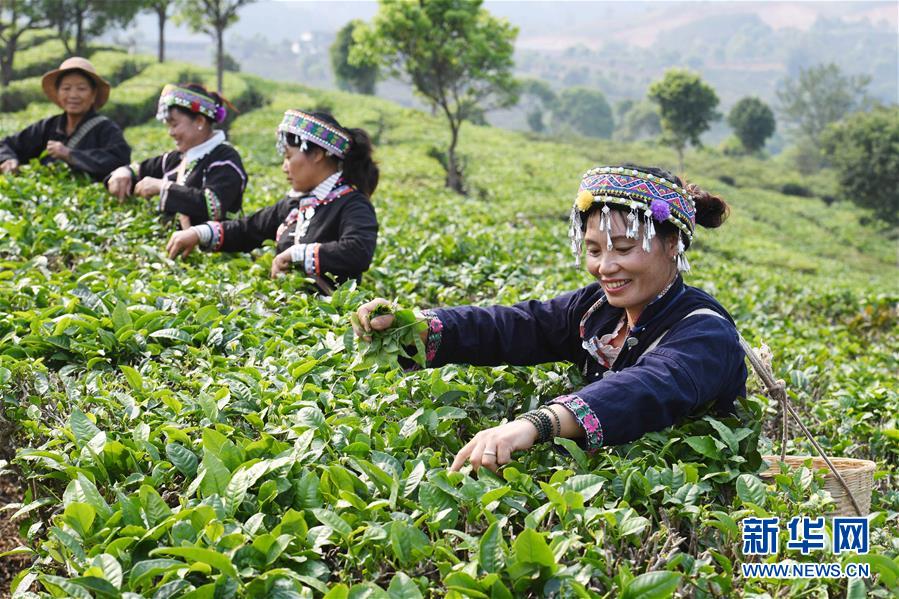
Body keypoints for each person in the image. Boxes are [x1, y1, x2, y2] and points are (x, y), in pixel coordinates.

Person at [353, 165, 748, 473]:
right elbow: (520, 325)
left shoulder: (705, 330)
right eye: (593, 250)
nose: (606, 267)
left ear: (672, 244)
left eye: (625, 248)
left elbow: (649, 386)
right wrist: (413, 325)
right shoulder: (598, 310)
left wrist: (536, 424)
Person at [164, 109, 379, 294]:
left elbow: (358, 250)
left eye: (288, 156)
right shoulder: (294, 204)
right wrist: (199, 233)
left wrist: (297, 254)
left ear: (317, 155)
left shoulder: (352, 204)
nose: (284, 167)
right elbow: (248, 229)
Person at [106, 83, 247, 230]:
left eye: (174, 125)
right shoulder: (175, 159)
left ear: (200, 121)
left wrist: (163, 188)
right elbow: (139, 170)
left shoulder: (225, 159)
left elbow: (214, 206)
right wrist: (124, 173)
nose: (170, 133)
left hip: (216, 251)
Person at [0, 57, 131, 181]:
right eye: (66, 88)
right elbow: (6, 144)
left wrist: (70, 155)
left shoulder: (106, 129)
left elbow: (120, 162)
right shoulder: (48, 126)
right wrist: (8, 160)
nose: (73, 95)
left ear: (93, 94)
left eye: (81, 89)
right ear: (58, 93)